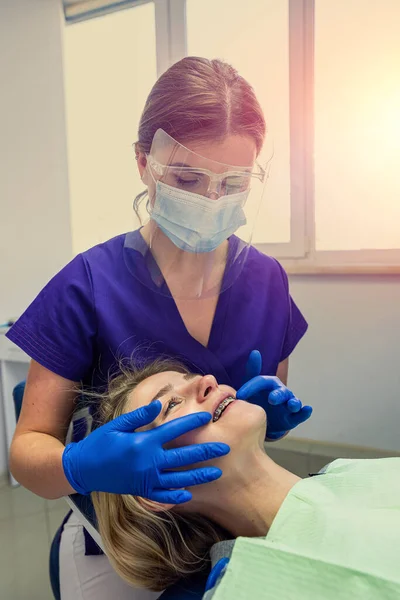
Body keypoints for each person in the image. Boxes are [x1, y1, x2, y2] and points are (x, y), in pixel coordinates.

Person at [6, 57, 310, 599]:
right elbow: (29, 452)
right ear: (144, 162)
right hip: (130, 547)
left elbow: (254, 422)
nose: (211, 200)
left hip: (230, 530)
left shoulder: (266, 280)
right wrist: (77, 467)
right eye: (188, 178)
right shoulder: (87, 285)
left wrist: (267, 418)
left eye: (233, 182)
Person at [92, 361, 400, 600]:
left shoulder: (348, 474)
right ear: (159, 490)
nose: (206, 380)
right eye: (171, 404)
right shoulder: (245, 586)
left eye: (192, 377)